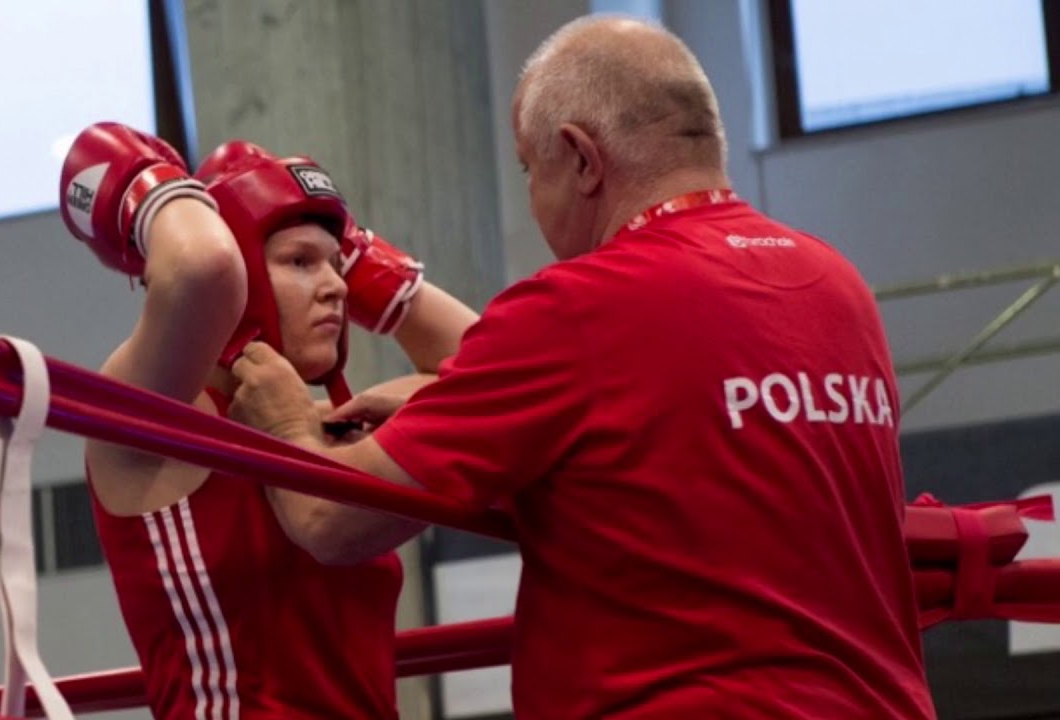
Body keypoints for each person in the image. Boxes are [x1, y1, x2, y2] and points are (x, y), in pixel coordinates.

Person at [227, 16, 937, 719]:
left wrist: (287, 424)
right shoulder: (837, 284)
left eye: (532, 173)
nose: (535, 202)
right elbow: (667, 466)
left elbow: (329, 521)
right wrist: (430, 398)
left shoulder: (577, 309)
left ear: (582, 158)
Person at [57, 124, 477, 719]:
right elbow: (200, 266)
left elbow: (487, 374)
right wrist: (155, 194)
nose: (336, 286)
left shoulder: (331, 432)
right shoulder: (156, 427)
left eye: (340, 266)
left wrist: (371, 267)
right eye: (300, 262)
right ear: (244, 274)